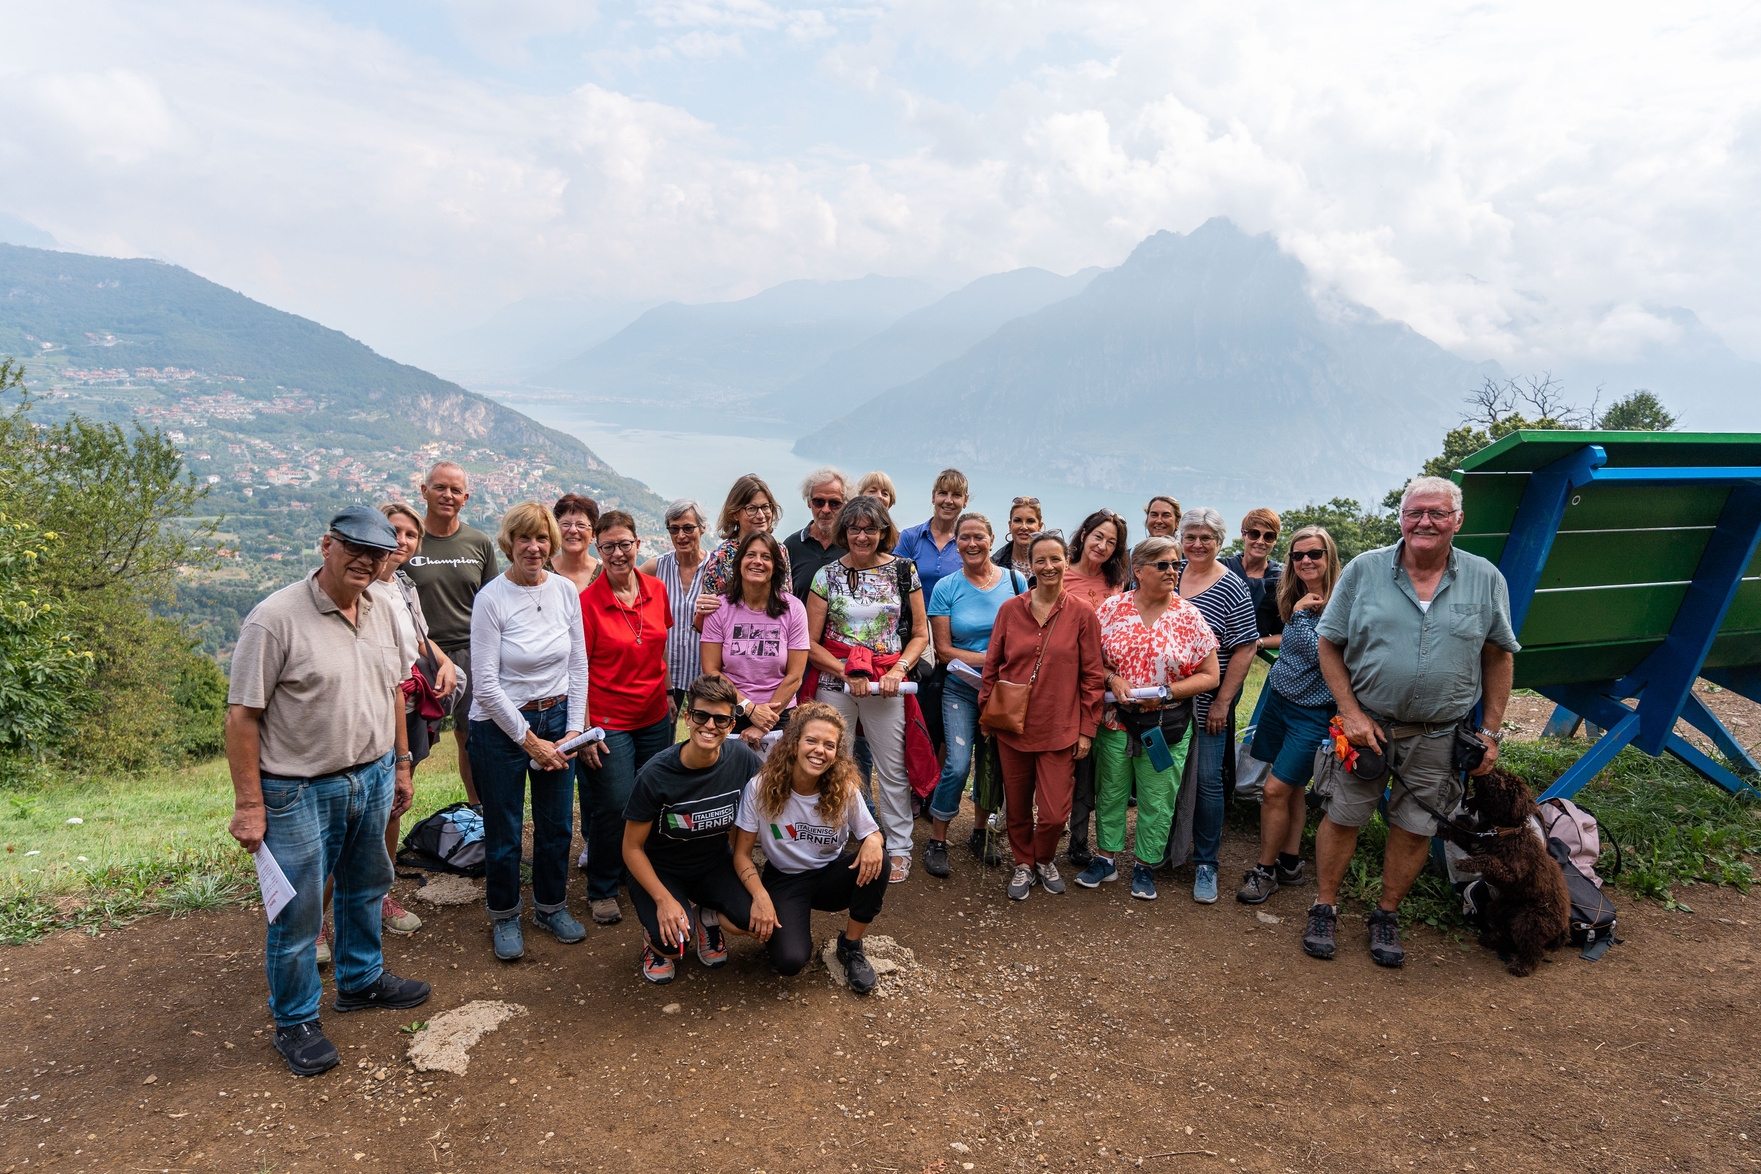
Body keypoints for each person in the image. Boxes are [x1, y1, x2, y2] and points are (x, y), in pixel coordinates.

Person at [226, 505, 431, 1077]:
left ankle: (361, 980)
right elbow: (242, 717)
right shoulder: (275, 619)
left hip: (370, 773)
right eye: (355, 549)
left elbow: (395, 688)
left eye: (378, 553)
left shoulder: (384, 608)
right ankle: (294, 1020)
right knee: (296, 912)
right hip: (296, 788)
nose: (366, 562)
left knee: (367, 884)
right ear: (326, 546)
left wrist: (402, 763)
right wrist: (249, 805)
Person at [1306, 477, 1518, 967]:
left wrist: (1489, 733)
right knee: (1342, 815)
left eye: (1438, 513)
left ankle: (1385, 913)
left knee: (1416, 826)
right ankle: (1324, 905)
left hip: (1439, 735)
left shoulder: (1486, 578)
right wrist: (1351, 714)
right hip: (1366, 731)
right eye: (1415, 512)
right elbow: (1328, 643)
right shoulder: (1364, 571)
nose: (1425, 522)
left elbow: (1498, 655)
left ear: (1457, 521)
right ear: (1401, 517)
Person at [467, 503, 589, 961]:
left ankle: (550, 906)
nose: (534, 548)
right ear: (510, 543)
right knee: (505, 830)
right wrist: (528, 739)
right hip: (502, 727)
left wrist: (573, 729)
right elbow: (486, 683)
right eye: (525, 539)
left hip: (557, 719)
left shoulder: (563, 591)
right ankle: (504, 915)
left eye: (542, 539)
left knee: (557, 824)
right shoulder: (492, 599)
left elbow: (578, 663)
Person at [1083, 537, 1221, 900]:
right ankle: (1106, 859)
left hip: (1167, 724)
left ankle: (1145, 865)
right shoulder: (1112, 610)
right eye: (1162, 564)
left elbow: (1210, 674)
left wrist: (1169, 692)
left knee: (1157, 799)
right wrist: (1112, 678)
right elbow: (1087, 660)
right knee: (1110, 791)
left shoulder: (1188, 616)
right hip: (1115, 719)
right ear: (1138, 570)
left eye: (1176, 564)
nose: (1173, 571)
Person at [805, 496, 929, 884]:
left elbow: (921, 633)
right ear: (844, 531)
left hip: (887, 682)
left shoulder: (904, 571)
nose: (862, 536)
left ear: (883, 532)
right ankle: (831, 841)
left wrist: (899, 668)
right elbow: (810, 642)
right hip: (836, 682)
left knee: (892, 769)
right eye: (855, 528)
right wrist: (845, 673)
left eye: (870, 529)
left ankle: (899, 847)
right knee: (830, 764)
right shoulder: (826, 576)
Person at [977, 531, 1106, 901]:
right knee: (1016, 804)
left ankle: (1044, 857)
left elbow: (1093, 676)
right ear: (1029, 565)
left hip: (1060, 727)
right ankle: (1023, 863)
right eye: (1040, 560)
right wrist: (986, 714)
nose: (1048, 567)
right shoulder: (1010, 610)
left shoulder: (1082, 613)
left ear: (1067, 562)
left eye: (1055, 559)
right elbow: (993, 666)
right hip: (1012, 726)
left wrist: (1086, 729)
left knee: (1052, 813)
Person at [731, 702, 886, 991]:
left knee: (880, 860)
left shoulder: (844, 787)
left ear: (836, 754)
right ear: (794, 743)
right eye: (811, 740)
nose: (819, 750)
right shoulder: (761, 786)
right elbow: (741, 855)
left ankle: (851, 946)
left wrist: (875, 841)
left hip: (830, 875)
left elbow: (871, 833)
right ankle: (786, 926)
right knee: (789, 961)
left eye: (829, 745)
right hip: (785, 879)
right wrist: (760, 895)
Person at [621, 674, 760, 985]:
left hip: (713, 863)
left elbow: (776, 794)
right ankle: (654, 940)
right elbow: (631, 847)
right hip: (661, 869)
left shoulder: (742, 759)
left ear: (731, 725)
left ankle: (705, 917)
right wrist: (662, 899)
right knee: (671, 944)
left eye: (720, 719)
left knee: (753, 921)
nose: (710, 725)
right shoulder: (655, 774)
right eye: (701, 715)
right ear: (687, 717)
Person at [577, 510, 675, 927]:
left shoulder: (656, 589)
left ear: (638, 544)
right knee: (613, 804)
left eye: (625, 544)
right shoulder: (587, 602)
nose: (618, 553)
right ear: (598, 550)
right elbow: (576, 668)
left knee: (652, 800)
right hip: (608, 720)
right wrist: (583, 730)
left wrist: (669, 691)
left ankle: (641, 875)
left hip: (655, 715)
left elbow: (661, 646)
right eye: (609, 546)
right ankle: (602, 886)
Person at [369, 502, 462, 937]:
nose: (401, 541)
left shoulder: (404, 585)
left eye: (410, 535)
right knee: (362, 811)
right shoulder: (363, 589)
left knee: (392, 808)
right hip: (374, 712)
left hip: (407, 709)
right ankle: (321, 916)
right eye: (393, 531)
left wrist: (443, 663)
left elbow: (422, 640)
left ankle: (378, 894)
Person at [1237, 526, 1340, 905]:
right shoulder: (1296, 594)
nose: (1305, 561)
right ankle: (1291, 862)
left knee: (1274, 790)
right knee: (1292, 788)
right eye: (1297, 556)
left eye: (1314, 554)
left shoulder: (1340, 602)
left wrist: (1296, 617)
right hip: (1280, 700)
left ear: (1329, 557)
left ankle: (1264, 871)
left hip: (1313, 713)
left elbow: (1325, 656)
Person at [922, 512, 1026, 878]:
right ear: (957, 543)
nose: (971, 543)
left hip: (1003, 691)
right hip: (962, 688)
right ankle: (937, 838)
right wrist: (993, 658)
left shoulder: (1015, 581)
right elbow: (945, 650)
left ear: (992, 538)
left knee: (992, 763)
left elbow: (1028, 634)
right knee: (958, 763)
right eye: (964, 537)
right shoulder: (947, 587)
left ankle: (981, 833)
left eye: (978, 536)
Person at [1165, 507, 1260, 904]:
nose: (1197, 544)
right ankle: (1164, 851)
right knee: (1164, 779)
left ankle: (1206, 862)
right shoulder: (1170, 575)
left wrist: (1223, 702)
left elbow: (1246, 646)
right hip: (1164, 705)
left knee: (1207, 783)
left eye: (1206, 537)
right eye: (1190, 536)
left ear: (1220, 542)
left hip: (1206, 706)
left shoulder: (1232, 585)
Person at [402, 461, 498, 807]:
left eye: (455, 490)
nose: (447, 495)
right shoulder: (408, 541)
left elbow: (492, 602)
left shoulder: (478, 542)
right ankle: (395, 807)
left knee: (472, 738)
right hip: (419, 655)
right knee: (410, 741)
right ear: (424, 491)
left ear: (466, 497)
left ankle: (478, 814)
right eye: (440, 487)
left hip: (474, 653)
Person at [1061, 510, 1129, 867]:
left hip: (1103, 687)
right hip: (1065, 685)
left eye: (1112, 542)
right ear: (1084, 533)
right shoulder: (1062, 574)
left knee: (1092, 766)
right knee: (1065, 761)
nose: (1102, 546)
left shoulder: (1116, 583)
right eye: (1098, 536)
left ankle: (1080, 839)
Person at [701, 531, 809, 749]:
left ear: (776, 567)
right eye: (751, 555)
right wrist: (749, 708)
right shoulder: (720, 608)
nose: (757, 562)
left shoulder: (793, 608)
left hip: (778, 714)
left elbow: (794, 676)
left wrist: (764, 723)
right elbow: (712, 671)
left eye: (766, 557)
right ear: (739, 563)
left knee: (776, 782)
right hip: (728, 711)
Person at [639, 498, 709, 720]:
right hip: (665, 674)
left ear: (702, 528)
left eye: (688, 528)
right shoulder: (655, 567)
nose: (681, 536)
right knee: (662, 741)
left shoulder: (716, 570)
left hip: (704, 671)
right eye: (674, 529)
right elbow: (625, 592)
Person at [698, 475, 792, 623]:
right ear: (735, 514)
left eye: (765, 507)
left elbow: (786, 601)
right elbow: (707, 614)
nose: (761, 515)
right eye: (752, 509)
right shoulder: (723, 555)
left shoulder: (779, 550)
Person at [784, 467, 849, 598]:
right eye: (819, 502)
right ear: (809, 502)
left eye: (834, 503)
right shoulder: (791, 546)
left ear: (845, 505)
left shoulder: (852, 545)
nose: (826, 509)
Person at [1222, 508, 1283, 628]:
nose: (1260, 541)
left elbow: (1285, 632)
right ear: (1243, 534)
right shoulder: (1222, 570)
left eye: (1268, 536)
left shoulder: (1280, 582)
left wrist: (1256, 643)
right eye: (1254, 534)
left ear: (1274, 540)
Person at [549, 494, 602, 593]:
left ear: (594, 534)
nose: (573, 530)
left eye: (581, 525)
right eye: (565, 524)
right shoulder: (542, 573)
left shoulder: (607, 574)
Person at [993, 497, 1043, 579]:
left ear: (1039, 527)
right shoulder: (995, 564)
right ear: (1010, 526)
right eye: (1017, 521)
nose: (1024, 527)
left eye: (1030, 521)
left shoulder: (1052, 564)